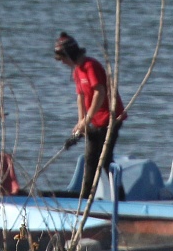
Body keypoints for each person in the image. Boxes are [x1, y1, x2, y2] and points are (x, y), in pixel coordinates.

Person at [53, 32, 128, 199]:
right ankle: (85, 197)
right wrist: (81, 122)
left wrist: (87, 119)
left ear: (70, 54)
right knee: (90, 160)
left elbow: (99, 93)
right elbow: (80, 96)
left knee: (104, 161)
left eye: (63, 59)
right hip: (96, 121)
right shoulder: (77, 71)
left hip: (111, 119)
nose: (63, 63)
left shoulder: (90, 66)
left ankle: (120, 200)